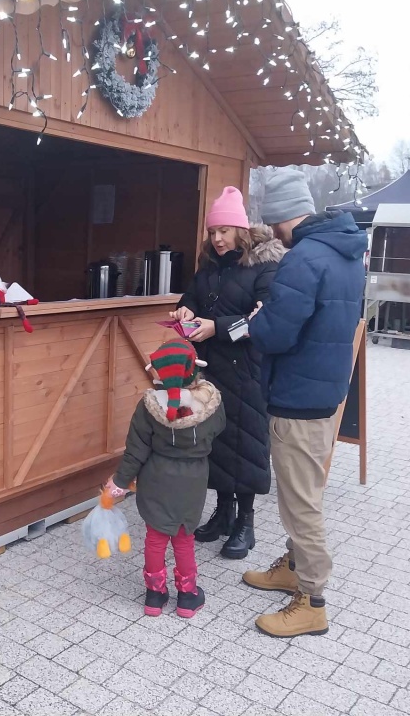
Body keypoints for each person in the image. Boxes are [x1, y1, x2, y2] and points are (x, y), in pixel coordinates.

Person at [239, 168, 365, 638]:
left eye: (270, 223)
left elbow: (277, 334)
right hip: (325, 390)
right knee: (303, 489)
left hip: (296, 396)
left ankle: (311, 598)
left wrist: (257, 321)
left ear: (278, 221)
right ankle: (293, 565)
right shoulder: (346, 251)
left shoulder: (302, 258)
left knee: (300, 502)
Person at [168, 186, 285, 560]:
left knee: (245, 444)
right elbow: (193, 298)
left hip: (247, 370)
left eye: (224, 231)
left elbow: (261, 321)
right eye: (212, 232)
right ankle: (223, 511)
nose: (217, 239)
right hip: (209, 370)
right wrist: (184, 310)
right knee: (216, 443)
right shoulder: (209, 266)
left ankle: (245, 523)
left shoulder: (265, 266)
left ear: (241, 229)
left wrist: (214, 328)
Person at [104, 339, 226, 618]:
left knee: (155, 537)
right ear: (194, 369)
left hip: (156, 477)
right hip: (193, 479)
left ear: (158, 372)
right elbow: (219, 429)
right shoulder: (211, 404)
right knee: (184, 538)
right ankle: (187, 597)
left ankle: (155, 596)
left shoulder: (148, 406)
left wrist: (120, 482)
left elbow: (136, 450)